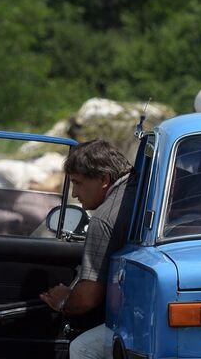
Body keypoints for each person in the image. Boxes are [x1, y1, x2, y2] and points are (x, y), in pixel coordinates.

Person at [40, 139, 132, 359]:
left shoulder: (103, 218)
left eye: (78, 183)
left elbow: (87, 299)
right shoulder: (140, 187)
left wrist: (64, 301)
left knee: (83, 348)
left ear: (104, 179)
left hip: (139, 318)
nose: (73, 193)